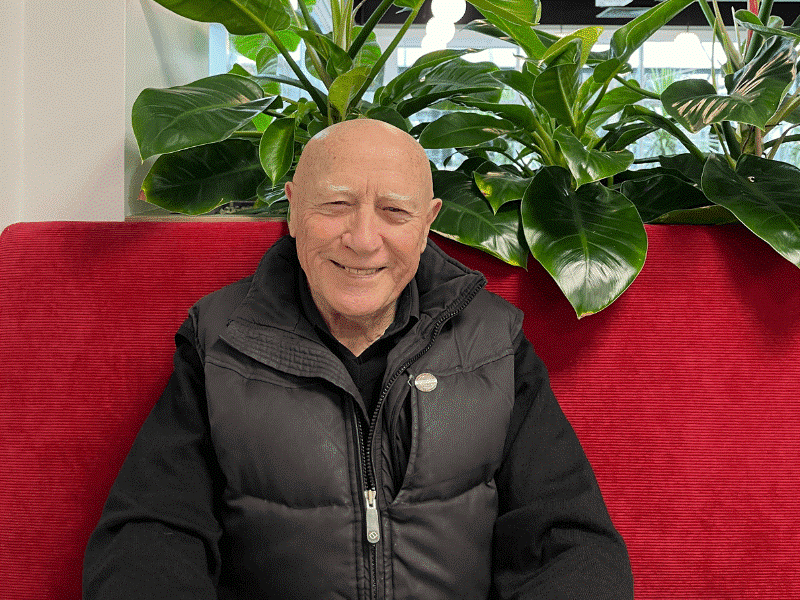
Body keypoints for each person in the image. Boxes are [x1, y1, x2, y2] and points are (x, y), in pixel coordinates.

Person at [83, 119, 633, 599]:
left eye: (394, 211)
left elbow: (569, 540)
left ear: (428, 223)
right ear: (293, 209)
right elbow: (149, 540)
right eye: (336, 205)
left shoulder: (493, 341)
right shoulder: (219, 341)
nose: (364, 239)